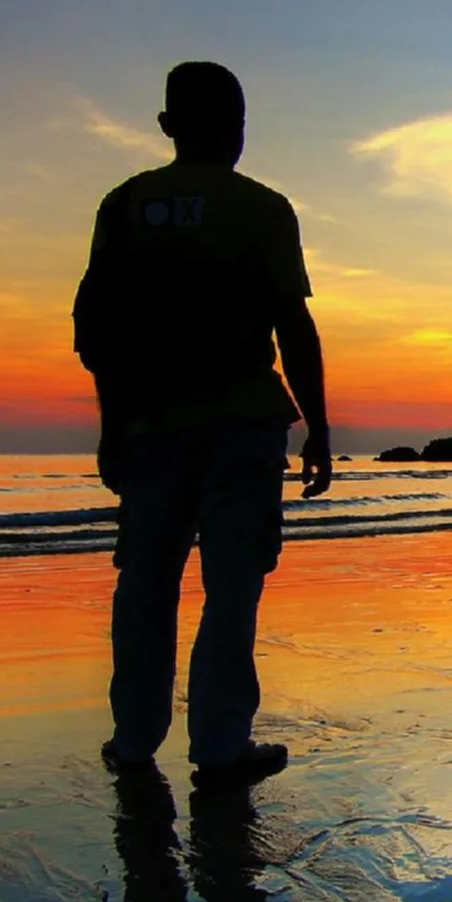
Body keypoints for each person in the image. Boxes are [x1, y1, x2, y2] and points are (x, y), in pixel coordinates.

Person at [73, 61, 331, 785]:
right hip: (243, 427)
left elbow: (96, 330)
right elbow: (294, 325)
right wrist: (320, 427)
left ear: (167, 127)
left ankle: (133, 741)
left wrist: (111, 424)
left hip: (150, 428)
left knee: (146, 581)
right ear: (238, 130)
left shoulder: (126, 205)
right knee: (233, 585)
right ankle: (219, 747)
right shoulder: (263, 208)